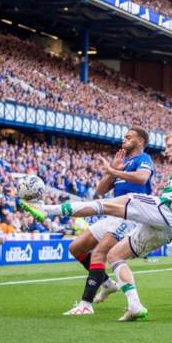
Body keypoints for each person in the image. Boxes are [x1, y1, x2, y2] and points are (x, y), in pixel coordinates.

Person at [22, 128, 172, 321]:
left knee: (106, 207)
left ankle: (47, 210)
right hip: (166, 227)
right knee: (115, 255)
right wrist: (113, 171)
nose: (166, 151)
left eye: (169, 146)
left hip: (163, 211)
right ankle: (134, 305)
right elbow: (100, 190)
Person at [62, 127, 154, 316]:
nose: (124, 139)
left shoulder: (144, 159)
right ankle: (106, 283)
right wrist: (114, 171)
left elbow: (142, 178)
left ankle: (86, 304)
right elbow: (101, 190)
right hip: (113, 214)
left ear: (140, 141)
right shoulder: (124, 164)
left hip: (131, 215)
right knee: (75, 248)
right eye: (124, 136)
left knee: (98, 254)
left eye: (129, 137)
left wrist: (115, 170)